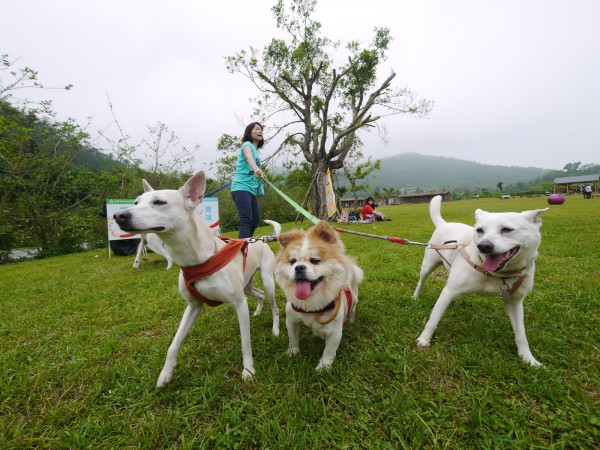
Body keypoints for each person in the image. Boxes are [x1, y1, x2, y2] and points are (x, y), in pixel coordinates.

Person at [231, 122, 267, 238]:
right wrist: (256, 169)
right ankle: (242, 249)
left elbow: (253, 165)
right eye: (256, 129)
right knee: (246, 220)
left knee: (255, 221)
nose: (260, 131)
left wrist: (261, 174)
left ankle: (245, 243)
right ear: (249, 132)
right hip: (240, 187)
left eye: (261, 129)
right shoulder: (246, 145)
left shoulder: (255, 151)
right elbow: (248, 158)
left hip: (250, 190)